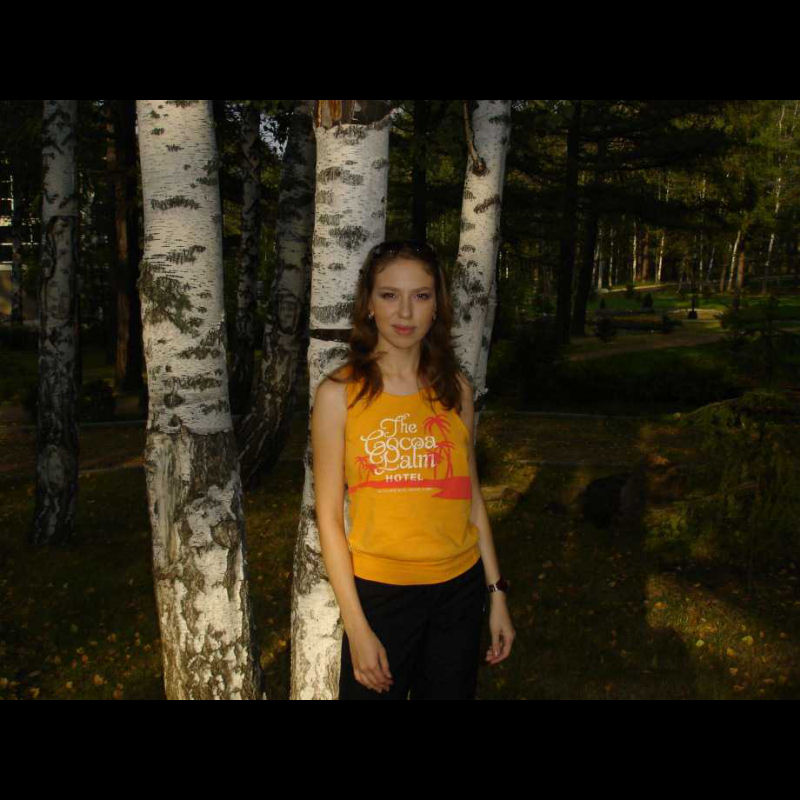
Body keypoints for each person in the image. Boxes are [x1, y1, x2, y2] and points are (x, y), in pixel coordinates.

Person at [311, 240, 514, 700]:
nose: (405, 312)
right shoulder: (338, 394)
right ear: (368, 304)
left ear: (437, 305)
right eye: (389, 295)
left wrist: (497, 593)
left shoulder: (455, 389)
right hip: (381, 596)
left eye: (420, 296)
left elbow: (470, 498)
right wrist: (357, 627)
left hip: (458, 595)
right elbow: (328, 519)